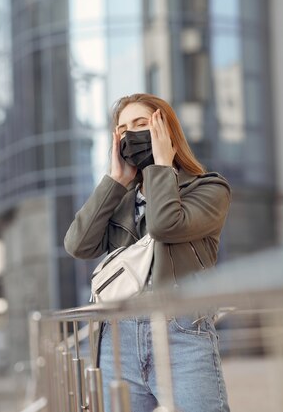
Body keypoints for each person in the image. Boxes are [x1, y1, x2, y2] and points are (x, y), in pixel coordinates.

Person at [64, 93, 231, 412]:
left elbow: (165, 225)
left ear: (166, 131)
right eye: (123, 129)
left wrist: (163, 164)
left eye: (141, 124)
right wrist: (114, 181)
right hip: (119, 336)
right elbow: (78, 244)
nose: (131, 135)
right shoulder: (119, 200)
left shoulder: (209, 189)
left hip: (181, 331)